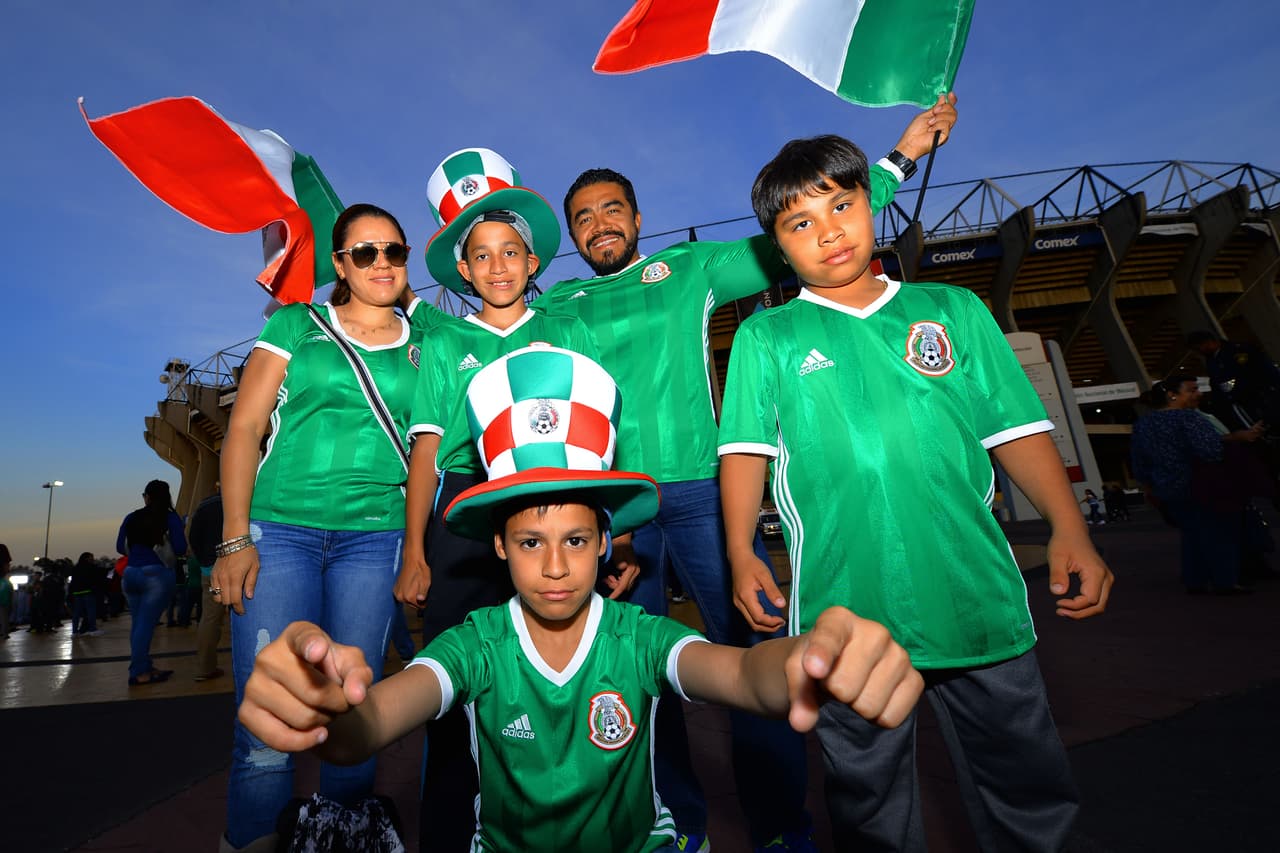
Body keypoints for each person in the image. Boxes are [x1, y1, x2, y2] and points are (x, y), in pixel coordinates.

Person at [238, 345, 924, 853]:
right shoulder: (477, 641)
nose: (557, 566)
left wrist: (808, 657)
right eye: (531, 543)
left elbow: (742, 673)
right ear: (500, 548)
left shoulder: (639, 635)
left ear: (606, 542)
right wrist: (329, 714)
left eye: (576, 539)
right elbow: (382, 715)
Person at [532, 93, 959, 851]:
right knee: (633, 672)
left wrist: (900, 155)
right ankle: (673, 824)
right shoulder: (561, 304)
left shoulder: (690, 268)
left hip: (700, 494)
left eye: (612, 209)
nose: (600, 224)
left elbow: (804, 230)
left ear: (635, 216)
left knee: (753, 661)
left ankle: (779, 828)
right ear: (572, 236)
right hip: (612, 510)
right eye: (584, 218)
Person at [717, 133, 1115, 851]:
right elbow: (744, 453)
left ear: (872, 204)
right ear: (778, 248)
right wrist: (741, 548)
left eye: (841, 204)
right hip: (845, 614)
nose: (827, 229)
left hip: (977, 598)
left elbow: (1015, 428)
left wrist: (1069, 525)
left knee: (1028, 787)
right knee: (869, 805)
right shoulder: (765, 337)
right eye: (799, 222)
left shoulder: (954, 309)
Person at [394, 148, 605, 850]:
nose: (498, 267)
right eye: (481, 256)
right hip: (464, 509)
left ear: (533, 260)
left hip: (551, 507)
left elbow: (603, 430)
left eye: (510, 251)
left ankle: (559, 826)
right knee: (454, 685)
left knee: (556, 675)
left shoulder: (566, 329)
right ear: (463, 269)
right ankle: (450, 834)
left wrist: (613, 531)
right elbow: (426, 451)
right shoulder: (445, 339)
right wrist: (416, 549)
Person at [211, 203, 421, 853]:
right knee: (270, 722)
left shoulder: (427, 339)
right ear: (340, 263)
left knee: (351, 710)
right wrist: (235, 537)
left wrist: (414, 548)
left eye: (393, 250)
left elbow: (428, 452)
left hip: (374, 536)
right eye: (364, 252)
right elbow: (244, 428)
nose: (381, 262)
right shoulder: (297, 323)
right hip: (282, 532)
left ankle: (342, 842)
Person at [1131, 374, 1251, 594]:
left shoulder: (1143, 424)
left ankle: (1194, 580)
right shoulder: (1189, 418)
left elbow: (1139, 462)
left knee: (1191, 534)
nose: (1198, 394)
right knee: (1218, 533)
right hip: (1201, 484)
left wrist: (1151, 484)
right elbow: (1210, 452)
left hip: (1167, 487)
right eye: (1192, 390)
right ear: (1172, 395)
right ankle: (1224, 580)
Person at [117, 479, 187, 685]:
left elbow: (120, 546)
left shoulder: (131, 517)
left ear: (147, 497)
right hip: (156, 575)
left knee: (138, 624)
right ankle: (139, 672)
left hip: (130, 574)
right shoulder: (170, 517)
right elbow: (181, 548)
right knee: (146, 626)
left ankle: (142, 666)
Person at [1187, 330, 1280, 432]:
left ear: (1207, 342)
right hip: (1246, 404)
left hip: (1265, 397)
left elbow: (1249, 375)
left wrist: (1227, 386)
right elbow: (1219, 383)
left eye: (1197, 348)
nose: (1198, 352)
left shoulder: (1237, 350)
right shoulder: (1211, 360)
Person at [188, 489, 225, 681]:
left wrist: (205, 563)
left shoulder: (204, 505)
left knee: (210, 618)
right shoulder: (243, 498)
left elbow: (193, 537)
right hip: (238, 570)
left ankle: (205, 668)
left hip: (211, 573)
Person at [69, 552, 104, 636]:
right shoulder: (91, 567)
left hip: (77, 593)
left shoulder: (76, 568)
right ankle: (92, 629)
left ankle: (74, 631)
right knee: (90, 611)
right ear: (87, 558)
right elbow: (97, 579)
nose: (93, 559)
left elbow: (72, 581)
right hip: (88, 592)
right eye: (91, 557)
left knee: (76, 613)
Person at [0, 544, 12, 640]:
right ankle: (4, 633)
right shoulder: (6, 582)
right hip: (4, 602)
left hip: (4, 601)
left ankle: (4, 633)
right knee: (4, 617)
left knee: (3, 617)